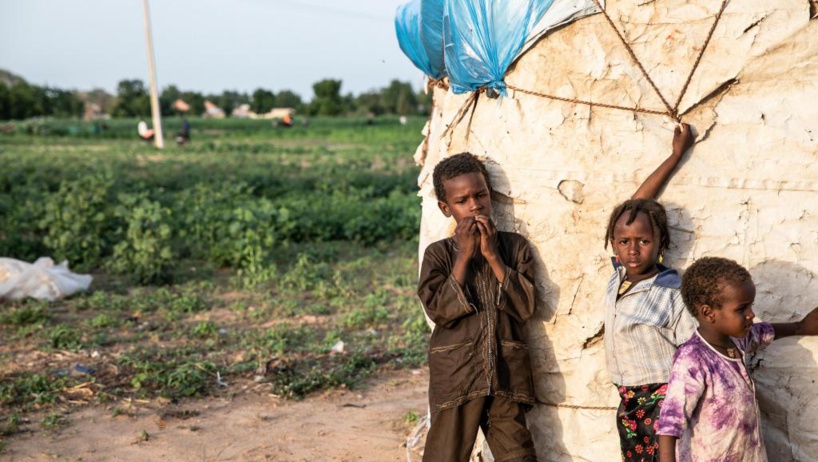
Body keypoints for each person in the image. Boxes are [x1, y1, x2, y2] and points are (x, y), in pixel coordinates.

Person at [418, 152, 538, 462]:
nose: (474, 205)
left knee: (518, 455)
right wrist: (464, 257)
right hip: (457, 374)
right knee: (445, 455)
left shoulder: (514, 247)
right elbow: (440, 310)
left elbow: (524, 307)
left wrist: (492, 256)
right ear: (446, 208)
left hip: (505, 374)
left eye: (480, 195)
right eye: (462, 201)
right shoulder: (439, 255)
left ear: (490, 196)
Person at [656, 257, 818, 461]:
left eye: (750, 306)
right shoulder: (693, 359)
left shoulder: (736, 341)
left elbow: (763, 332)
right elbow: (670, 424)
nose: (751, 315)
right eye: (741, 309)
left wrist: (801, 327)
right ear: (708, 313)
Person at [603, 123, 695, 461]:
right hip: (628, 404)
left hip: (664, 402)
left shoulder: (671, 290)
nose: (633, 250)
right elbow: (636, 205)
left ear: (660, 244)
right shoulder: (618, 277)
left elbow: (692, 351)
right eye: (624, 242)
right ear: (614, 244)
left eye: (643, 241)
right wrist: (673, 156)